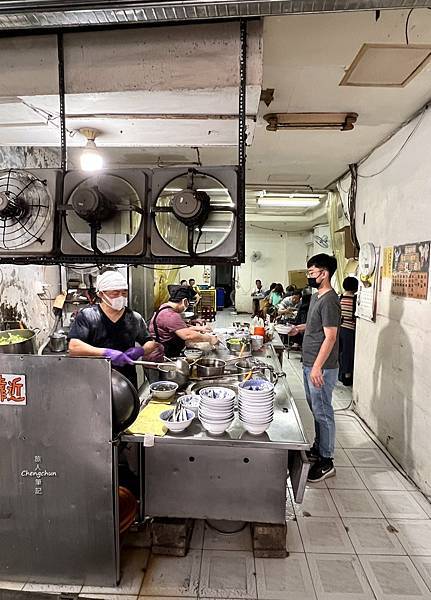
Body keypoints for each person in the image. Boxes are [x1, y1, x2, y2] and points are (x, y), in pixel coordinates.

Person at [290, 254, 340, 482]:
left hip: (321, 367)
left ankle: (327, 460)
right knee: (316, 408)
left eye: (312, 273)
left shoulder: (330, 299)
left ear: (324, 273)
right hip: (310, 362)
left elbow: (330, 337)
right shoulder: (317, 296)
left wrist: (318, 367)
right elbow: (316, 326)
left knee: (323, 411)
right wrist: (299, 329)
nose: (309, 277)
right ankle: (319, 448)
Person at [68, 270, 160, 389]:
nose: (120, 297)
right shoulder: (87, 316)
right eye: (115, 293)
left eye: (124, 293)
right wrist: (106, 353)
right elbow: (74, 347)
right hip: (95, 379)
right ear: (101, 294)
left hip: (126, 381)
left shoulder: (134, 318)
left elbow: (150, 343)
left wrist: (140, 351)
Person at [149, 285, 218, 358]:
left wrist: (200, 328)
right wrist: (209, 338)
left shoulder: (164, 307)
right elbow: (188, 335)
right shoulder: (170, 315)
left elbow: (179, 328)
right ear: (185, 301)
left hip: (165, 351)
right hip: (160, 357)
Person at [338, 276, 359, 386]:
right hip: (349, 330)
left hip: (338, 329)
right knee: (348, 354)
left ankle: (340, 374)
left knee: (339, 352)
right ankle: (347, 376)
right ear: (356, 288)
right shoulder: (355, 300)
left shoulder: (339, 298)